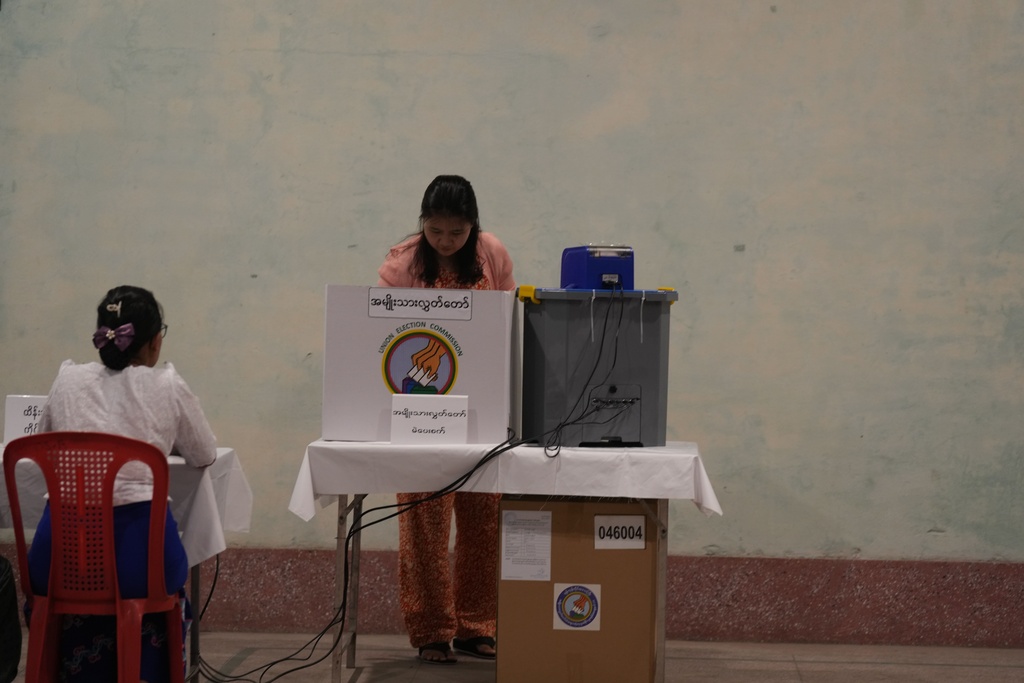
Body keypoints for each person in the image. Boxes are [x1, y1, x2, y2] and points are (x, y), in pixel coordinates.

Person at [28, 285, 217, 682]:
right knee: (164, 579)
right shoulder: (166, 385)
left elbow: (44, 440)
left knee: (57, 591)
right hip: (138, 561)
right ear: (153, 341)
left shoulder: (66, 380)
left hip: (60, 557)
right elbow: (204, 453)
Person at [377, 175, 514, 664]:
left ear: (472, 226)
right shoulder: (403, 262)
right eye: (436, 231)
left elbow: (505, 324)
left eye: (456, 233)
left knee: (483, 519)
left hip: (479, 410)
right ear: (424, 224)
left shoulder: (492, 253)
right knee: (423, 523)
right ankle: (432, 629)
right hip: (419, 407)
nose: (445, 241)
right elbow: (385, 332)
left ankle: (477, 626)